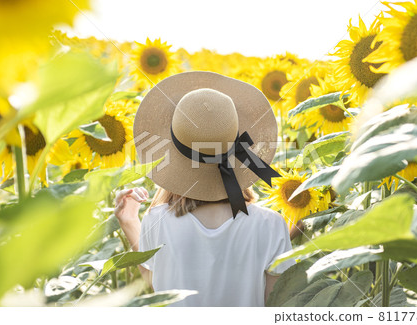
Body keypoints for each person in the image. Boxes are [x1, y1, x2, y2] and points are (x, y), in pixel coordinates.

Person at [114, 71, 295, 307]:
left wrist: (129, 222)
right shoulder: (270, 224)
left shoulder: (158, 221)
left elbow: (158, 288)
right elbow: (276, 304)